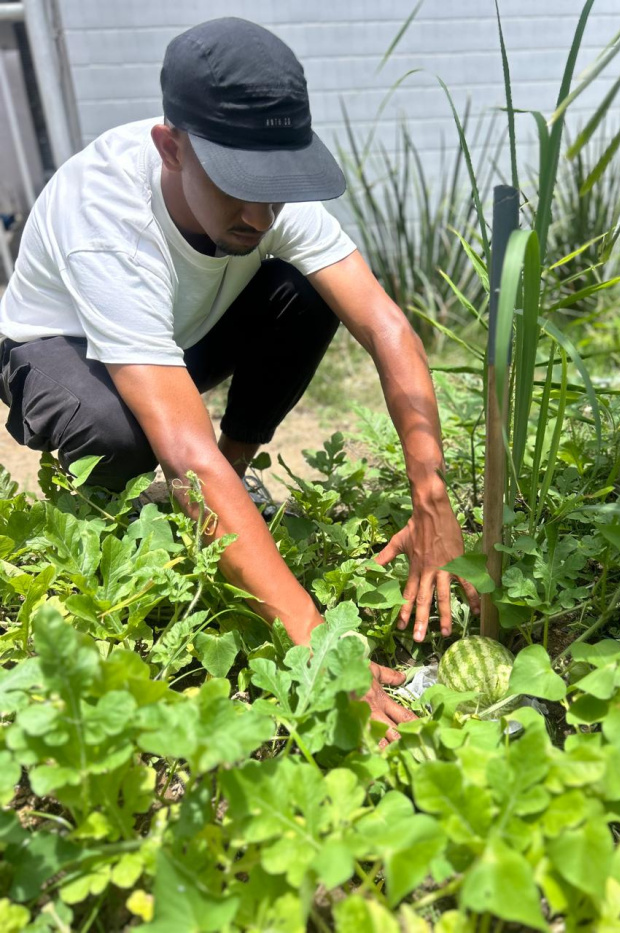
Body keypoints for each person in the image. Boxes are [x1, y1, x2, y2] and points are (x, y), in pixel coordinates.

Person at [0, 17, 479, 741]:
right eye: (238, 188)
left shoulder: (264, 196)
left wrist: (433, 498)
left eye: (275, 189)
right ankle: (117, 531)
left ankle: (235, 481)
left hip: (170, 336)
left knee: (309, 290)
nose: (259, 214)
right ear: (171, 147)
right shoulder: (106, 215)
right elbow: (182, 455)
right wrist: (322, 650)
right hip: (58, 351)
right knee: (124, 434)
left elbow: (387, 327)